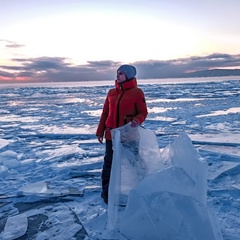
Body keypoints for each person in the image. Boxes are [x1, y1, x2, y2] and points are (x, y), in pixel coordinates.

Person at [96, 64, 148, 204]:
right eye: (117, 73)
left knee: (134, 162)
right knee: (109, 164)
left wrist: (137, 121)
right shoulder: (111, 93)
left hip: (128, 135)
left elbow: (143, 112)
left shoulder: (137, 92)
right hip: (111, 135)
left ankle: (144, 188)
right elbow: (105, 113)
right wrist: (100, 131)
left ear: (128, 75)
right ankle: (107, 193)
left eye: (121, 73)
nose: (117, 76)